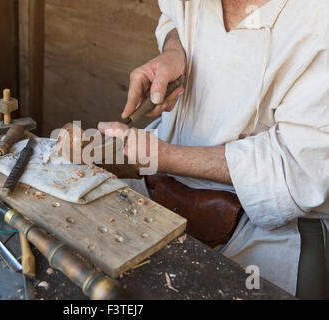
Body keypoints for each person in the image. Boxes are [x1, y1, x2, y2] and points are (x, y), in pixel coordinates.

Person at [98, 0, 328, 298]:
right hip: (163, 184)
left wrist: (165, 157)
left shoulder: (319, 22)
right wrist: (174, 51)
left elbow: (297, 167)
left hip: (266, 223)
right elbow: (173, 17)